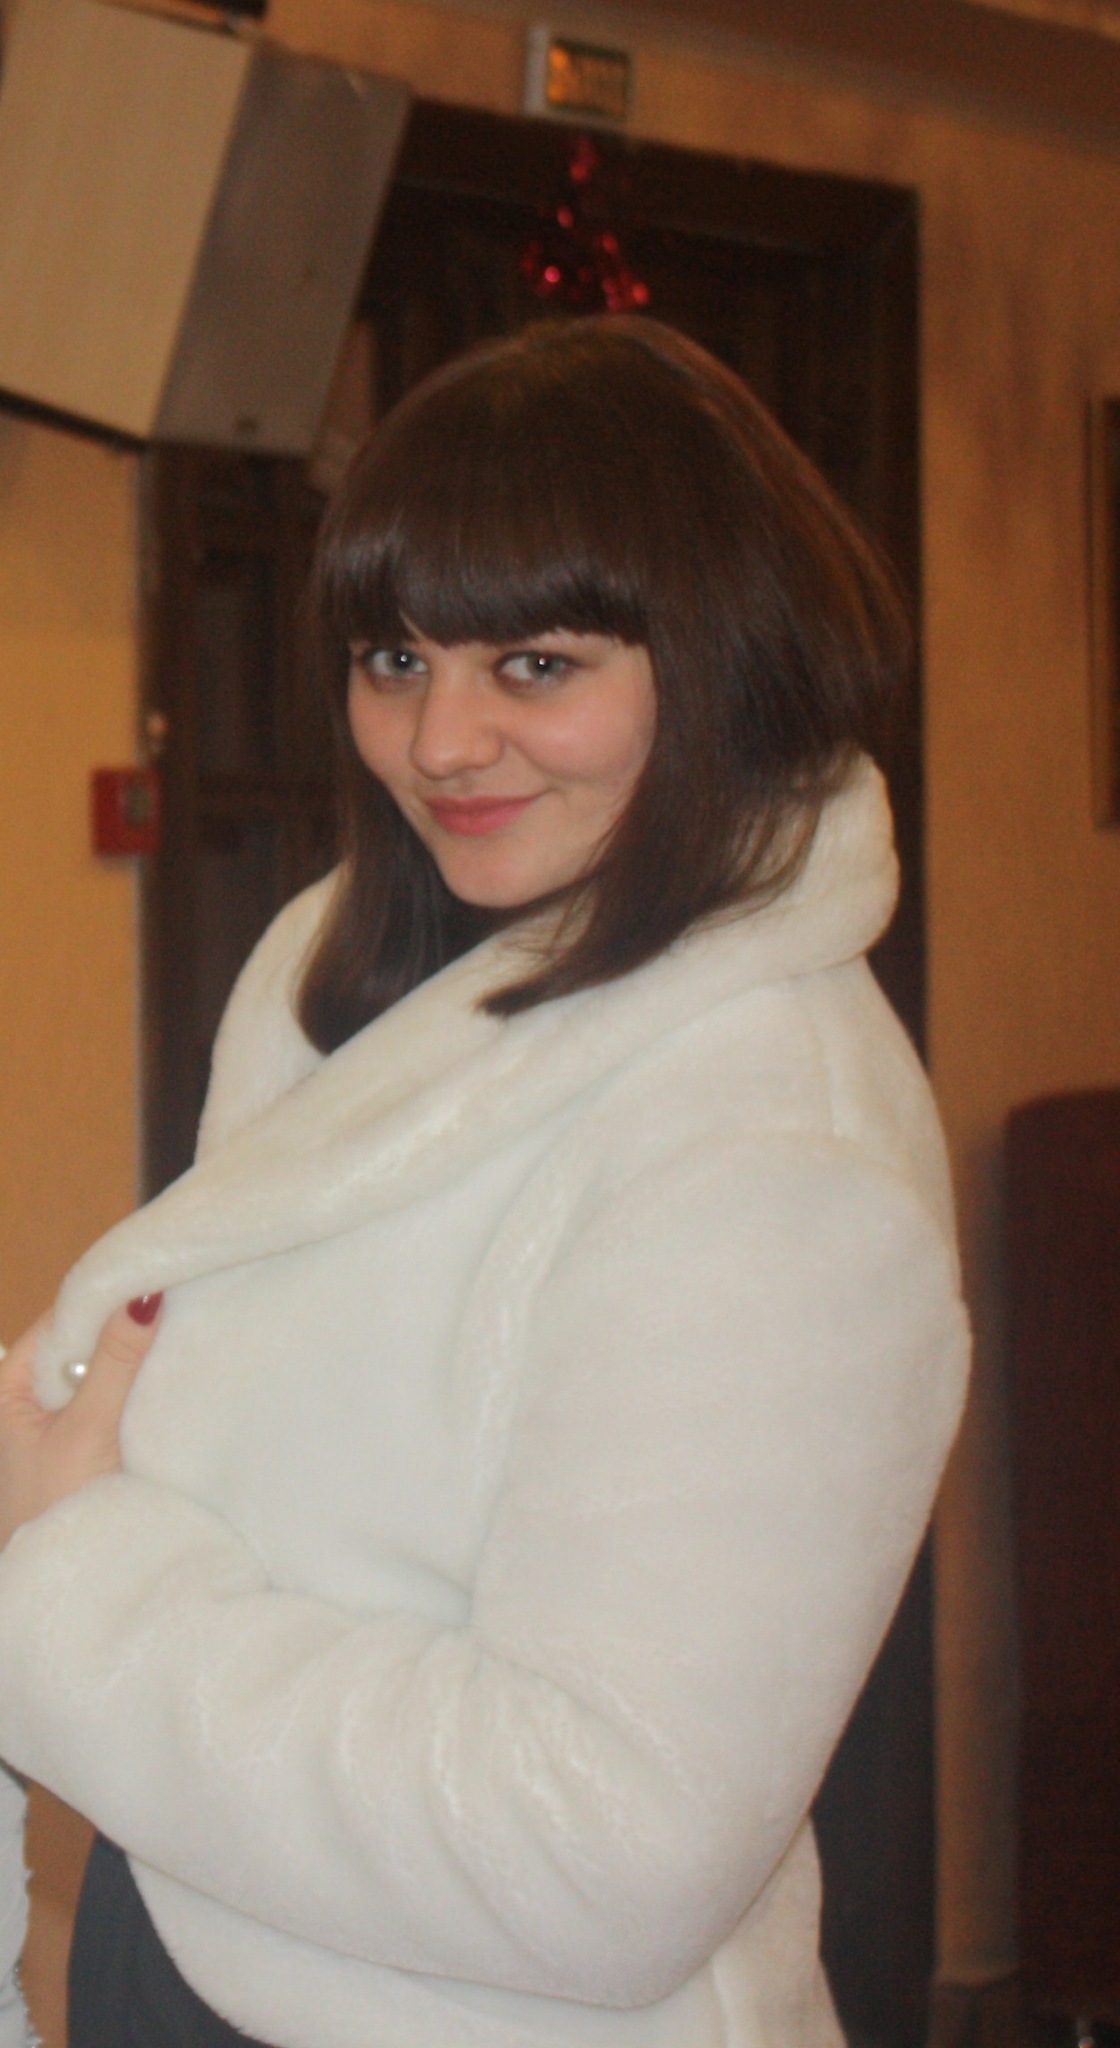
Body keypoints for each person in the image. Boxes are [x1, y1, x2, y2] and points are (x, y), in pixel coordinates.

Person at [0, 316, 968, 2048]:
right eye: (395, 658)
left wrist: (70, 1580)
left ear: (726, 660)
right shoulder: (342, 971)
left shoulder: (774, 1154)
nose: (441, 740)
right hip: (199, 1931)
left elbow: (597, 1855)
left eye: (535, 664)